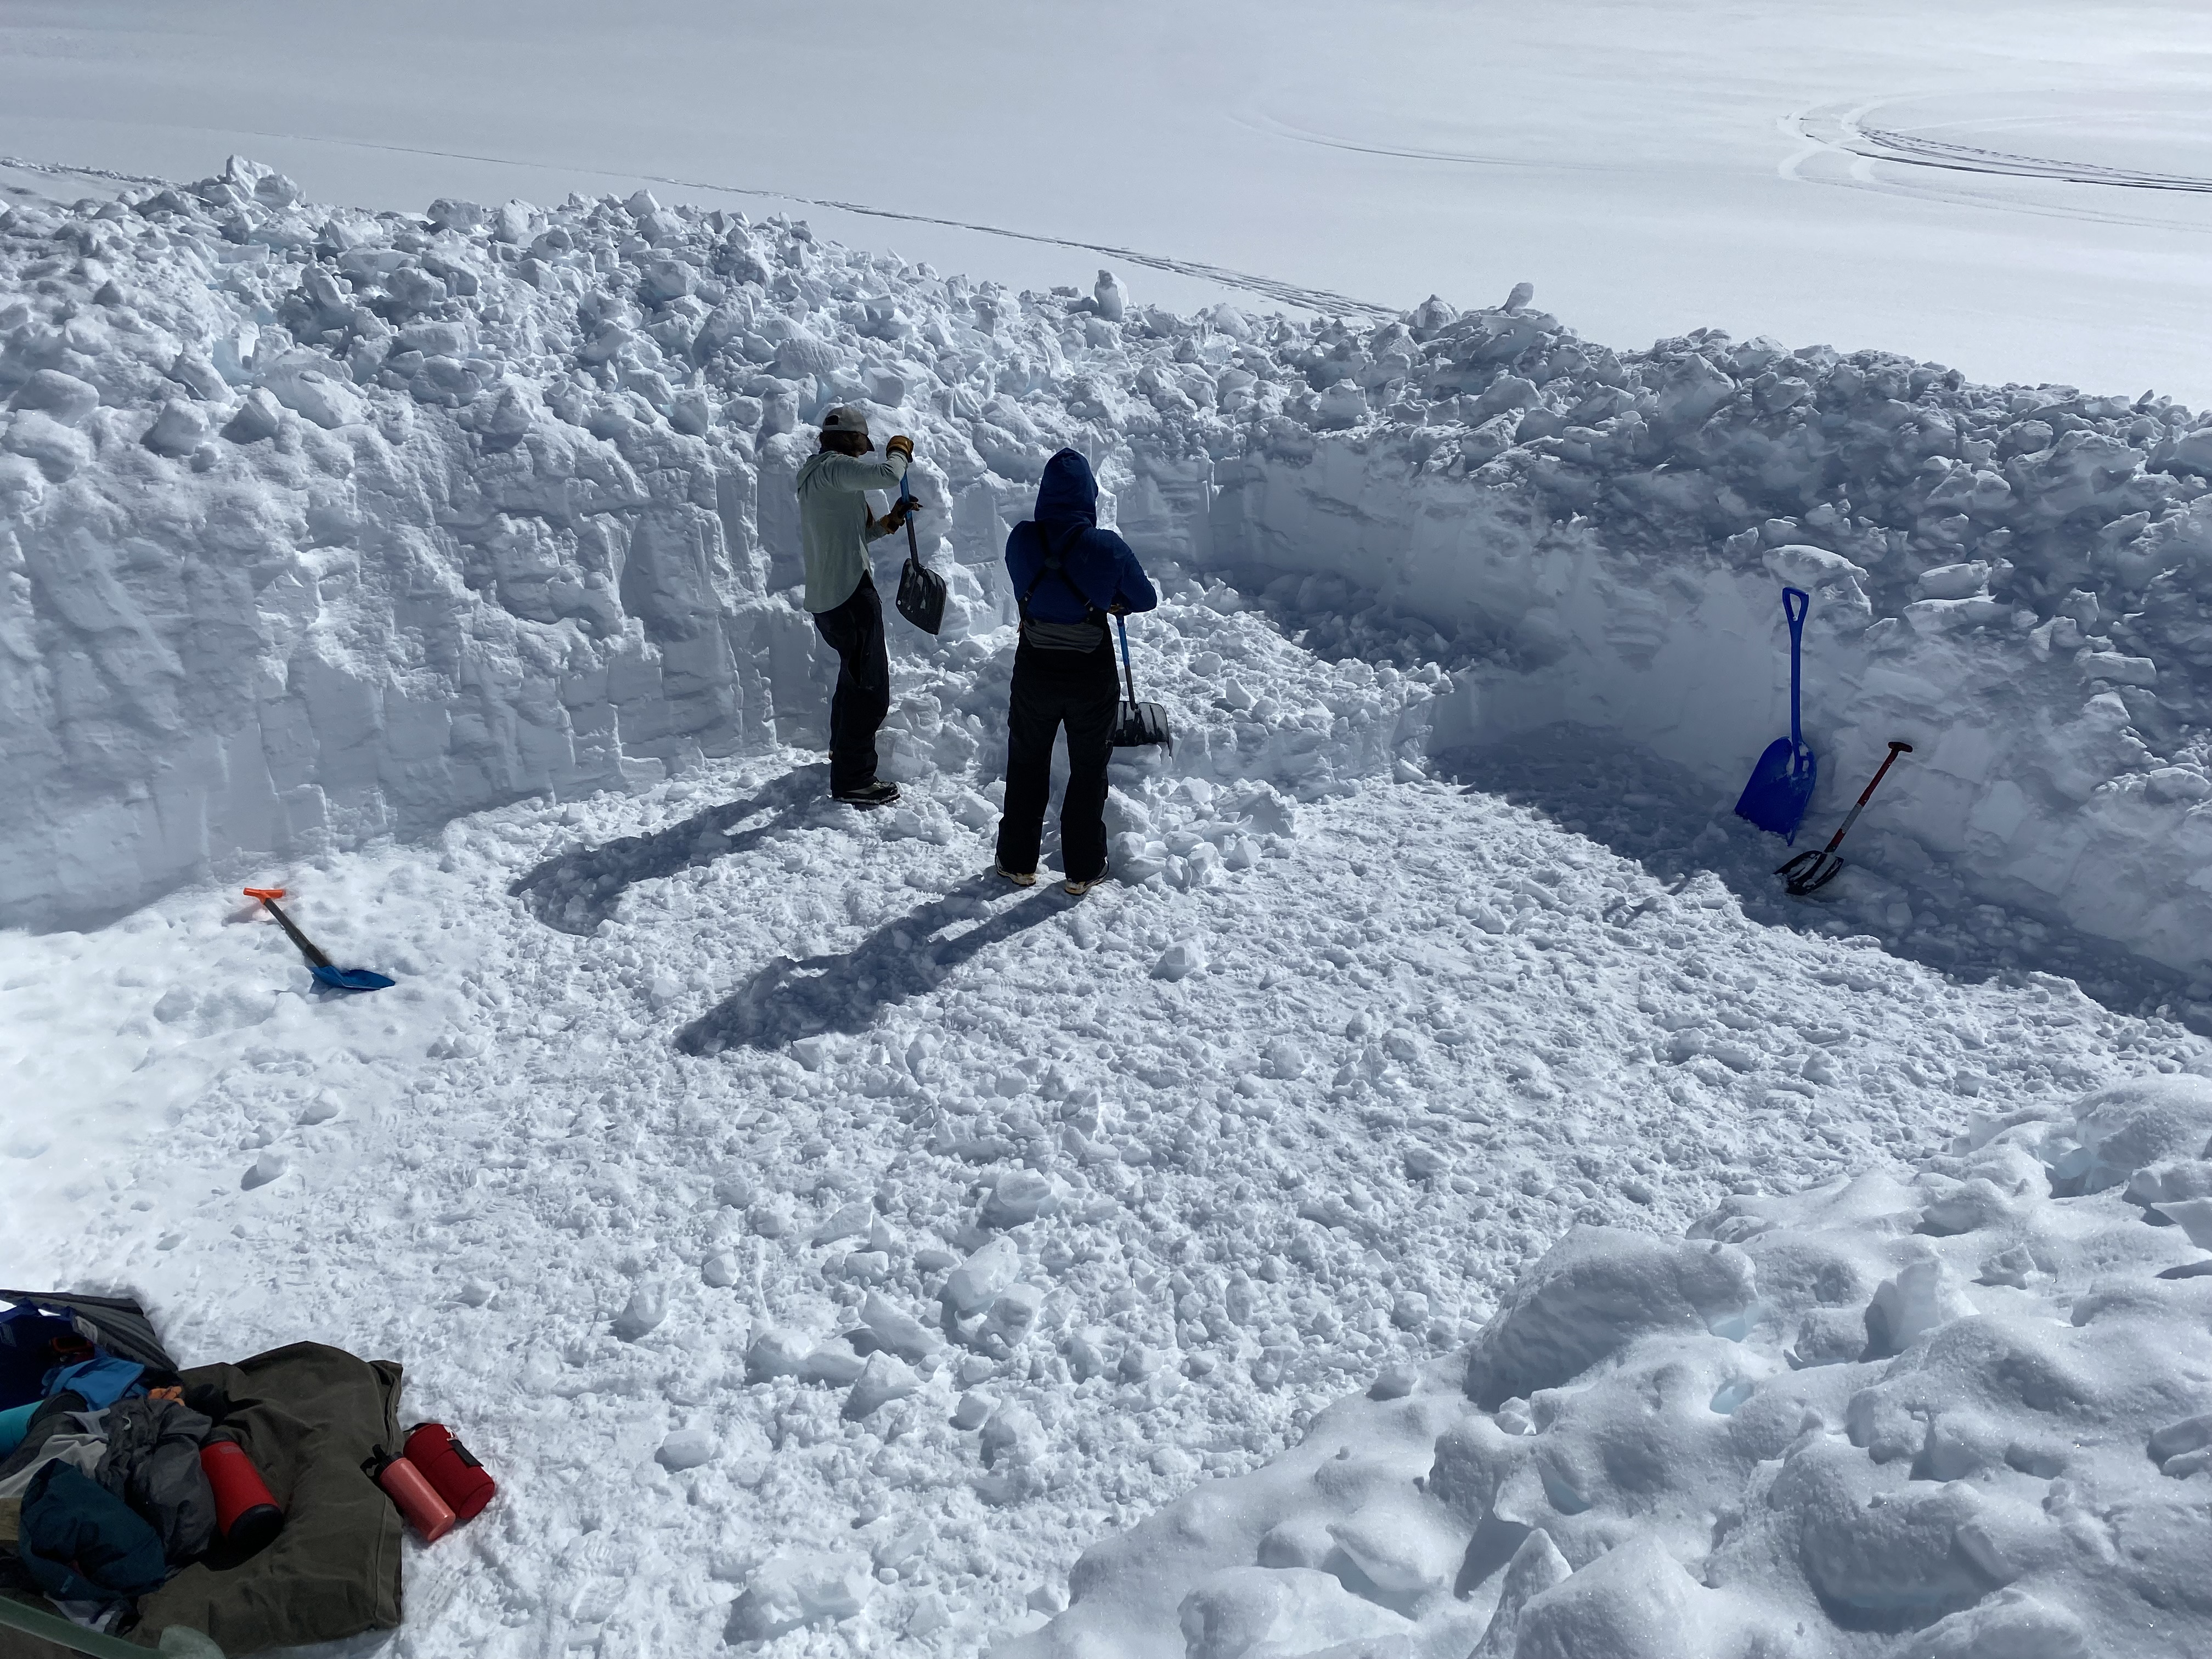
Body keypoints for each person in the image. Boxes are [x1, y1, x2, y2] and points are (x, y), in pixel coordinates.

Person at [995, 448, 1157, 895]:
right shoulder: (1107, 546)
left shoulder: (1021, 539)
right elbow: (1144, 599)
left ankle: (1016, 862)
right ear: (1090, 496)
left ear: (1046, 494)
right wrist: (1108, 595)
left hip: (1034, 670)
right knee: (1088, 768)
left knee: (1027, 762)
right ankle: (1083, 868)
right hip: (1090, 676)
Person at [797, 407, 916, 806]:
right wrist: (899, 450)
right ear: (849, 439)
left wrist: (890, 522)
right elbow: (889, 474)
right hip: (850, 595)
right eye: (864, 438)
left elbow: (858, 534)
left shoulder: (820, 477)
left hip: (827, 599)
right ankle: (854, 780)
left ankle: (842, 753)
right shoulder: (834, 468)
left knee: (853, 679)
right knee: (871, 692)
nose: (869, 445)